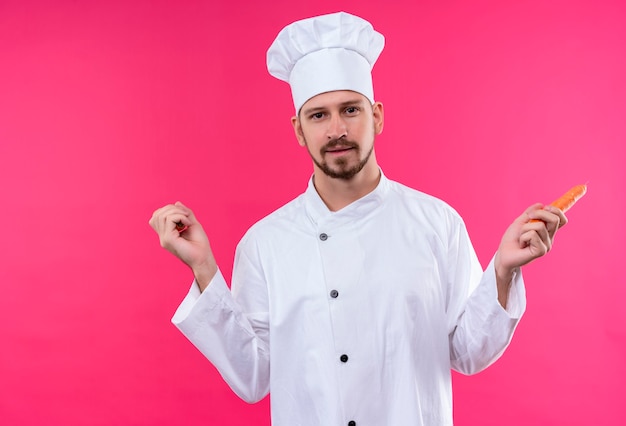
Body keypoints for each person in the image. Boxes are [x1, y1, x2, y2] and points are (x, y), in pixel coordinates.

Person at [149, 11, 565, 426]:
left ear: (377, 116)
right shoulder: (265, 243)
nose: (336, 129)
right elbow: (252, 376)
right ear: (298, 130)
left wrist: (504, 271)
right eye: (318, 115)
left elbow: (468, 353)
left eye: (350, 109)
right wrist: (203, 267)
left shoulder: (437, 223)